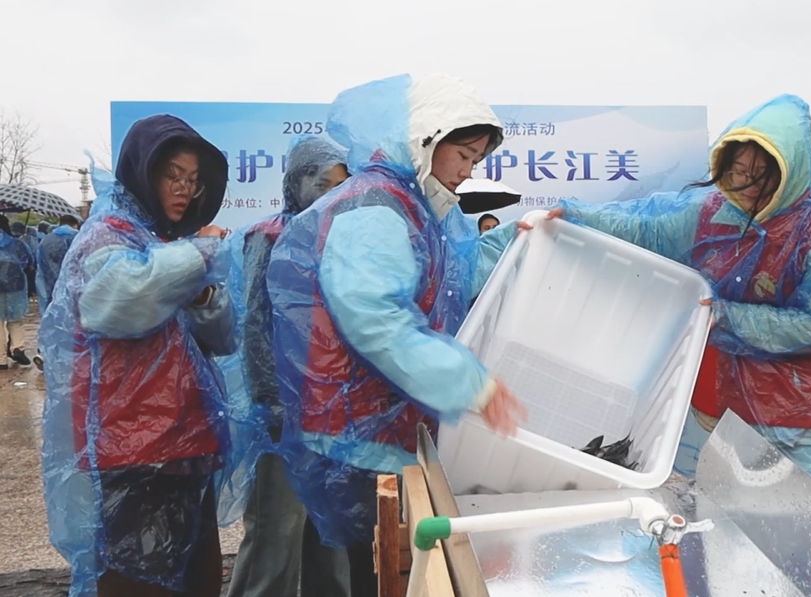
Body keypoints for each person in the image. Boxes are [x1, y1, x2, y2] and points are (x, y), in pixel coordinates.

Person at [547, 95, 811, 500]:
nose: (747, 187)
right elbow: (646, 228)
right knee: (725, 517)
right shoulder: (712, 214)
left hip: (801, 418)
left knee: (800, 520)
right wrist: (574, 216)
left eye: (762, 176)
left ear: (791, 173)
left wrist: (730, 317)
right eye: (738, 172)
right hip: (725, 402)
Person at [267, 73, 529, 596]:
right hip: (360, 436)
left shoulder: (410, 204)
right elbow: (374, 319)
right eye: (463, 154)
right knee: (377, 576)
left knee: (384, 575)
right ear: (426, 141)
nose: (467, 170)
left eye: (477, 160)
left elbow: (456, 270)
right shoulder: (376, 207)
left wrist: (526, 239)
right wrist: (471, 385)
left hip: (381, 432)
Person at [39, 114, 235, 597]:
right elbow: (120, 302)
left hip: (187, 447)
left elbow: (223, 338)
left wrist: (205, 297)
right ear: (143, 171)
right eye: (172, 175)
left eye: (193, 180)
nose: (184, 190)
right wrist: (197, 256)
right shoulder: (106, 237)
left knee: (197, 578)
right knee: (138, 582)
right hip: (134, 454)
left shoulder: (164, 244)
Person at [225, 136, 352, 597]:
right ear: (297, 181)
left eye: (341, 186)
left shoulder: (340, 242)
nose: (332, 195)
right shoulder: (270, 237)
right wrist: (273, 404)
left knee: (330, 532)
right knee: (275, 536)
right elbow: (255, 325)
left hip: (331, 411)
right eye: (324, 184)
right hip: (285, 414)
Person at [32, 214, 80, 371]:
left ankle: (44, 353)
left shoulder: (46, 239)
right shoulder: (79, 237)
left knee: (50, 320)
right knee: (73, 323)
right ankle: (68, 358)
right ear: (74, 224)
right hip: (73, 288)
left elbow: (38, 266)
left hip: (48, 287)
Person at [0, 215, 32, 369]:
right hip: (15, 287)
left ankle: (1, 360)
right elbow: (29, 261)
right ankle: (17, 347)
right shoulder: (17, 243)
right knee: (15, 320)